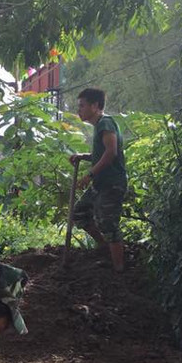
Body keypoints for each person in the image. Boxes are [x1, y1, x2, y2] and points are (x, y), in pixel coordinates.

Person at [69, 87, 127, 273]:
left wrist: (89, 175)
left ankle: (118, 267)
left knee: (108, 223)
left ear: (95, 106)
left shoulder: (106, 123)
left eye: (82, 105)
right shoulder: (100, 126)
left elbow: (111, 152)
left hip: (112, 184)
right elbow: (101, 152)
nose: (79, 110)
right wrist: (83, 156)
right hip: (101, 184)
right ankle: (104, 249)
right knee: (79, 214)